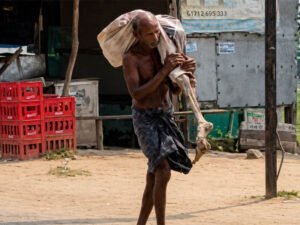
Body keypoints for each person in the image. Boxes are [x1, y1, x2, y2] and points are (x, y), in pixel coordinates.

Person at [122, 11, 196, 225]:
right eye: (149, 34)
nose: (155, 38)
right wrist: (165, 70)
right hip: (145, 118)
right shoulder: (131, 58)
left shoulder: (162, 51)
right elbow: (137, 93)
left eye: (157, 32)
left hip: (165, 115)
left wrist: (186, 73)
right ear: (137, 34)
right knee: (163, 170)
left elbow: (175, 90)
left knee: (154, 175)